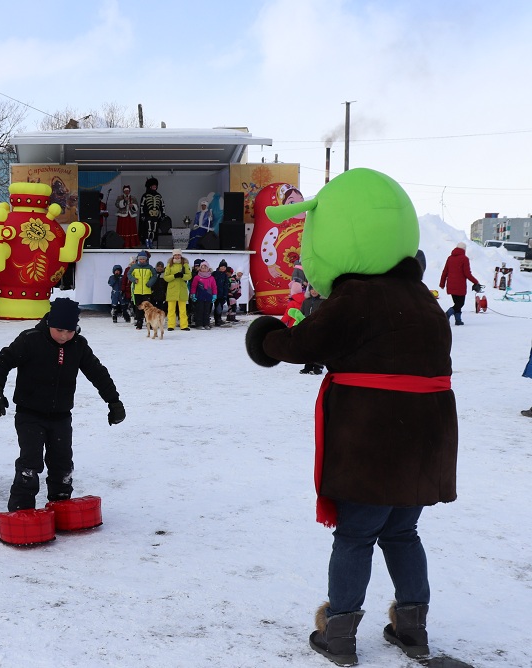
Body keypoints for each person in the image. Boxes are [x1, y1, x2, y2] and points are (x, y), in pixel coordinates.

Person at [246, 167, 456, 666]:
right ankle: (412, 629)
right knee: (403, 533)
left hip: (373, 441)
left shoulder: (356, 296)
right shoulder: (424, 302)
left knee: (357, 535)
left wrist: (264, 339)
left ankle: (338, 634)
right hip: (426, 441)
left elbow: (304, 344)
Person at [0, 298, 125, 511]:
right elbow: (3, 361)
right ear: (50, 322)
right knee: (30, 464)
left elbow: (98, 373)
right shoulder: (30, 340)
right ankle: (21, 509)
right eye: (60, 329)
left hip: (61, 416)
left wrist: (113, 401)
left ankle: (60, 504)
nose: (64, 336)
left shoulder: (78, 345)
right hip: (29, 414)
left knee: (62, 463)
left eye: (70, 331)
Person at [438, 242, 481, 326]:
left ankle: (458, 320)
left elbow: (445, 272)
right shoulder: (464, 259)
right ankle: (447, 314)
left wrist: (442, 283)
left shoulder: (450, 258)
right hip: (460, 286)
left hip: (451, 285)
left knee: (457, 303)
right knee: (460, 303)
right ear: (464, 249)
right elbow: (467, 273)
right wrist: (476, 282)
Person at [297, 286, 325, 375]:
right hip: (307, 328)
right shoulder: (306, 302)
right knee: (307, 347)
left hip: (318, 328)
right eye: (312, 289)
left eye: (316, 289)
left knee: (318, 348)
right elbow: (301, 314)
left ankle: (318, 367)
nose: (314, 291)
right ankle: (308, 366)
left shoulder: (323, 302)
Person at [163, 249, 192, 331]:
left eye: (178, 255)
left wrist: (182, 276)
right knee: (171, 310)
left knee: (183, 310)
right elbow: (166, 277)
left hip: (182, 290)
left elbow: (189, 276)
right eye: (175, 255)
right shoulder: (169, 265)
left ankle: (184, 325)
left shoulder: (185, 264)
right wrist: (174, 276)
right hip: (172, 290)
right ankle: (171, 325)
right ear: (173, 256)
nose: (177, 256)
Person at [127, 252, 157, 330]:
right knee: (138, 307)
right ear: (138, 259)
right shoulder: (134, 267)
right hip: (137, 291)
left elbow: (154, 276)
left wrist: (150, 283)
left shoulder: (150, 267)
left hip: (147, 291)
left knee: (149, 308)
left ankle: (149, 322)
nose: (142, 260)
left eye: (143, 259)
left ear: (146, 259)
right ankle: (139, 322)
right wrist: (134, 280)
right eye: (140, 259)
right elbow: (129, 274)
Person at [138, 176, 165, 249]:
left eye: (155, 186)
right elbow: (142, 206)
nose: (154, 187)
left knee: (154, 229)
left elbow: (162, 205)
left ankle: (151, 242)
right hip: (148, 215)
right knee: (148, 229)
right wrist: (142, 214)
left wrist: (163, 214)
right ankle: (147, 242)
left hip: (156, 216)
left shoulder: (159, 195)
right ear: (150, 186)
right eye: (153, 185)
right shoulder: (145, 196)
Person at [190, 261, 217, 330]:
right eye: (202, 267)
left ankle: (206, 324)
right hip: (199, 297)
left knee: (207, 311)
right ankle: (199, 324)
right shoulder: (197, 277)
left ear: (208, 268)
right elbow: (193, 286)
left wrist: (214, 295)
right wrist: (193, 294)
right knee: (199, 310)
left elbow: (214, 287)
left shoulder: (211, 278)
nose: (204, 269)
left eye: (205, 267)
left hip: (208, 297)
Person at [213, 259, 230, 326]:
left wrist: (225, 295)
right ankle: (216, 320)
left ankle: (218, 319)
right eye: (222, 266)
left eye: (224, 267)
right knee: (216, 307)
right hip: (214, 293)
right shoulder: (214, 274)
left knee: (220, 307)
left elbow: (226, 286)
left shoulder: (225, 276)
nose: (223, 268)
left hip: (222, 294)